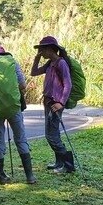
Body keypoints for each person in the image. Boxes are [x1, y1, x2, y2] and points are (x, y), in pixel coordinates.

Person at [0, 46, 36, 184]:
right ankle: (30, 177)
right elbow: (23, 85)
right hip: (13, 107)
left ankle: (1, 177)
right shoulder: (13, 62)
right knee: (21, 139)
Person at [30, 36, 74, 174]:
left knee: (51, 135)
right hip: (48, 102)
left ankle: (68, 166)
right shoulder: (50, 63)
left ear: (50, 49)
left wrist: (61, 102)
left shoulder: (61, 63)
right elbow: (34, 72)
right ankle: (59, 162)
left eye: (42, 50)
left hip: (56, 103)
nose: (41, 52)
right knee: (53, 134)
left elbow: (68, 84)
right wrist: (36, 59)